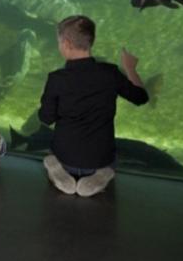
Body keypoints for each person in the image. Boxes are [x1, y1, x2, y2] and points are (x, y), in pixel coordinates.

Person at [38, 15, 149, 197]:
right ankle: (99, 176)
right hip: (100, 158)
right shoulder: (111, 73)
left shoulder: (57, 79)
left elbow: (45, 118)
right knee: (105, 160)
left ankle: (63, 176)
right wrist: (130, 68)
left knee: (53, 156)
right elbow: (141, 97)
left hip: (66, 157)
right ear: (91, 41)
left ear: (65, 44)